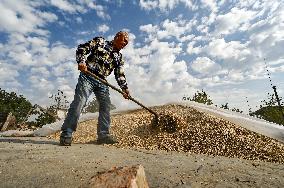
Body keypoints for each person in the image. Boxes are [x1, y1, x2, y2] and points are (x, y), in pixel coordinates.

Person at [60, 31, 130, 146]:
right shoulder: (100, 42)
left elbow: (119, 74)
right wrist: (82, 61)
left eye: (127, 43)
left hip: (102, 81)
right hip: (88, 75)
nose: (125, 44)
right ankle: (66, 134)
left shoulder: (119, 57)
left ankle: (103, 135)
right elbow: (82, 48)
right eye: (124, 40)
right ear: (117, 37)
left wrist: (124, 88)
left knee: (106, 106)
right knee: (80, 102)